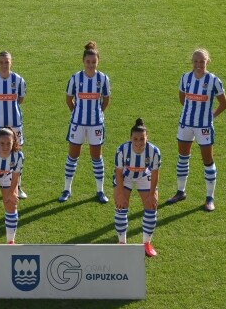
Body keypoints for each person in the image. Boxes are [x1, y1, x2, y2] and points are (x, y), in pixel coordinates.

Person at [166, 48, 226, 211]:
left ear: (207, 62)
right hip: (185, 124)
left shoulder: (214, 80)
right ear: (192, 62)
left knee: (207, 161)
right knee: (182, 158)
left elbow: (224, 104)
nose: (198, 64)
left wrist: (210, 117)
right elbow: (182, 99)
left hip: (204, 127)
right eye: (196, 61)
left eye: (202, 61)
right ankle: (180, 192)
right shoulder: (185, 78)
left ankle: (209, 198)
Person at [59, 41, 111, 204]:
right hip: (78, 124)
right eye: (88, 62)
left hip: (96, 124)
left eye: (93, 62)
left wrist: (98, 114)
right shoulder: (75, 78)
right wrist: (76, 113)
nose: (91, 64)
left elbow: (106, 100)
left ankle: (100, 191)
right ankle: (67, 189)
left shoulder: (103, 78)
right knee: (73, 156)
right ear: (83, 61)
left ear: (98, 62)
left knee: (97, 157)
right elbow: (69, 99)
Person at [113, 118, 161, 257]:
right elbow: (118, 172)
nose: (139, 143)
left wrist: (152, 194)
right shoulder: (122, 150)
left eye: (142, 139)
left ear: (147, 138)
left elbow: (155, 173)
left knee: (151, 206)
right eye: (135, 139)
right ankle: (122, 243)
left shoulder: (154, 151)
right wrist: (120, 194)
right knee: (120, 205)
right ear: (130, 138)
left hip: (144, 175)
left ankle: (146, 244)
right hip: (126, 176)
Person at [0, 51, 27, 199]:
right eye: (1, 62)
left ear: (11, 63)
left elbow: (20, 99)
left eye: (6, 62)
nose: (4, 65)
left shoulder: (19, 80)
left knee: (16, 153)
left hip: (14, 123)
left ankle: (18, 186)